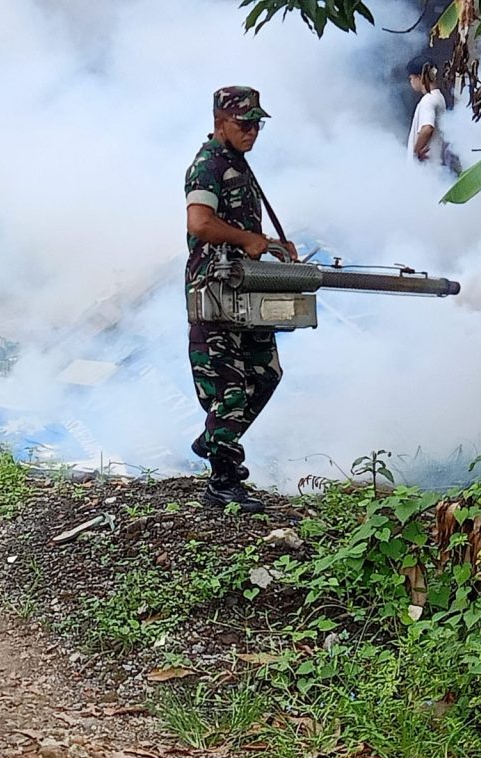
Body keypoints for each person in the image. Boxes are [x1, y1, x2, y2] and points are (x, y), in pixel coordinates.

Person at [184, 86, 298, 512]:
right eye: (243, 123)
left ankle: (214, 439)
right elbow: (200, 223)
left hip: (243, 292)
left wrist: (273, 247)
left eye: (257, 124)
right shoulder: (207, 165)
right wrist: (249, 239)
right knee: (229, 387)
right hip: (214, 292)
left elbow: (245, 234)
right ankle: (223, 483)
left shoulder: (237, 163)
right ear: (219, 122)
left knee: (266, 373)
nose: (252, 131)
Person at [406, 55, 448, 166]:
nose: (411, 82)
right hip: (436, 164)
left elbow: (427, 128)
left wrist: (415, 152)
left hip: (425, 168)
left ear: (419, 77)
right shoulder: (439, 97)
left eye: (411, 78)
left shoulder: (428, 100)